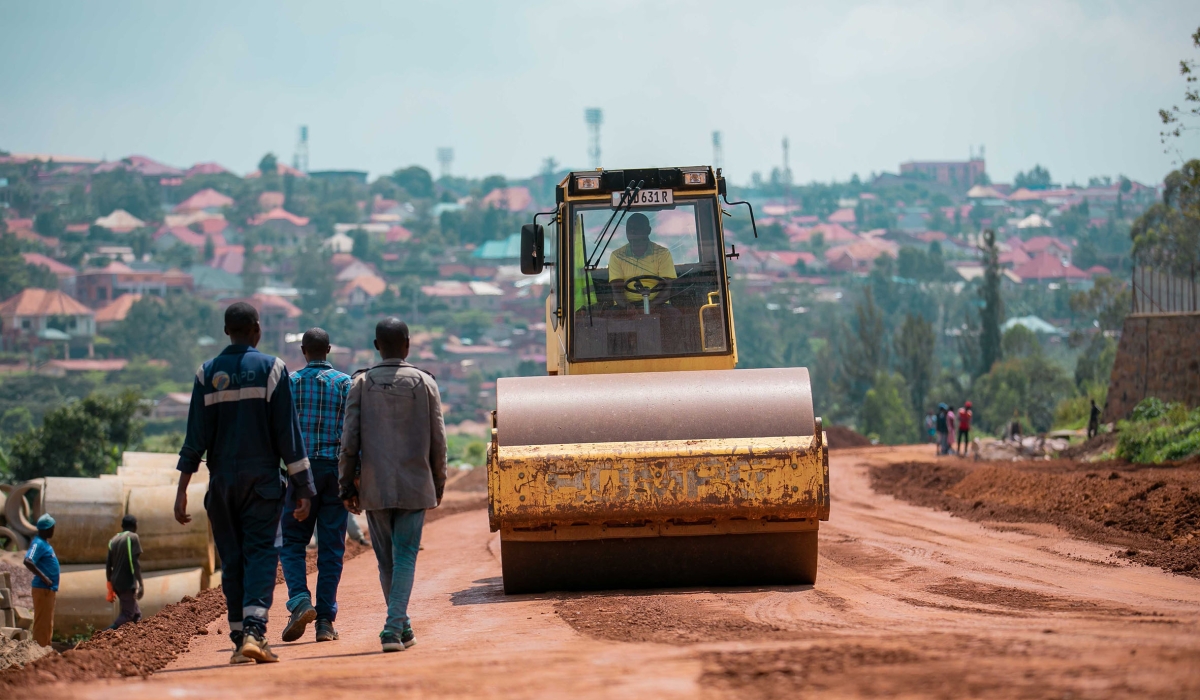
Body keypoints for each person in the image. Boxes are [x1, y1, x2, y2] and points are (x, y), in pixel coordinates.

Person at [174, 302, 316, 665]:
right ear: (257, 329)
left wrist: (181, 491)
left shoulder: (206, 374)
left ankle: (240, 638)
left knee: (233, 560)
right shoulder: (272, 369)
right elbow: (288, 434)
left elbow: (194, 438)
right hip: (263, 484)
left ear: (226, 331)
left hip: (221, 485)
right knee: (262, 555)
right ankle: (253, 632)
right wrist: (304, 487)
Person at [339, 318, 447, 653]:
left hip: (375, 486)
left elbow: (349, 441)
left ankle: (400, 627)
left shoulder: (361, 383)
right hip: (416, 484)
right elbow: (438, 442)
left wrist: (347, 485)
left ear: (376, 346)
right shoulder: (425, 383)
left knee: (386, 562)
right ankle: (393, 628)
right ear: (408, 344)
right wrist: (438, 483)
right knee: (405, 558)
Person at [280, 327, 353, 644]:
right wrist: (354, 477)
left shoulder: (291, 383)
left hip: (300, 473)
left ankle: (299, 600)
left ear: (303, 350)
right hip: (333, 473)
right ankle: (325, 622)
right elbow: (352, 435)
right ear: (329, 349)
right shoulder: (344, 384)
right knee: (332, 548)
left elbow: (280, 432)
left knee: (291, 541)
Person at [607, 213, 676, 310]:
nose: (632, 230)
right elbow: (617, 289)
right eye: (629, 228)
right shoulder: (617, 256)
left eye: (637, 227)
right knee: (609, 317)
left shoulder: (663, 254)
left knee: (675, 316)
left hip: (658, 305)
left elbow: (666, 289)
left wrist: (650, 306)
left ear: (648, 230)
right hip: (626, 306)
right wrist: (628, 307)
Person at [24, 513, 59, 647]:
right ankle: (39, 650)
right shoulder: (38, 543)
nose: (53, 531)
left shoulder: (44, 544)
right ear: (46, 529)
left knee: (47, 623)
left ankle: (45, 649)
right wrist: (44, 578)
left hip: (48, 590)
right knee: (42, 623)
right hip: (42, 588)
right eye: (52, 528)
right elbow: (28, 560)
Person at [106, 514, 144, 629]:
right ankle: (105, 633)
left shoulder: (113, 540)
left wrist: (110, 586)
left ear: (122, 526)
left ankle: (137, 640)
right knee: (128, 614)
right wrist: (141, 584)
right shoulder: (133, 537)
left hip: (116, 582)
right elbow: (135, 562)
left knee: (136, 615)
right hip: (126, 582)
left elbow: (108, 565)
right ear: (135, 525)